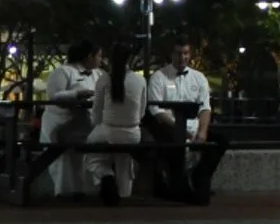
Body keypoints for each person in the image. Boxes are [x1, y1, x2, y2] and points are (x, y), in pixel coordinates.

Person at [145, 38, 228, 203]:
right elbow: (156, 111)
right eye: (178, 53)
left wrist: (202, 132)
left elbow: (205, 108)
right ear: (171, 54)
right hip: (170, 128)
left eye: (185, 53)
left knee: (221, 141)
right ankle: (179, 184)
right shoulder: (159, 77)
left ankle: (200, 175)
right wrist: (181, 130)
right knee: (172, 144)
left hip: (195, 127)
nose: (182, 57)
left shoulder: (199, 78)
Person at [34, 40, 100, 198]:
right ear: (89, 56)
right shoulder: (62, 72)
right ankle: (64, 192)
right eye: (99, 56)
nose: (101, 60)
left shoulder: (98, 74)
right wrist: (77, 94)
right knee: (64, 160)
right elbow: (54, 96)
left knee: (83, 158)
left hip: (84, 123)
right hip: (61, 122)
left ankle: (84, 191)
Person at [84, 39, 146, 203]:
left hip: (108, 131)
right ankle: (125, 193)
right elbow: (142, 112)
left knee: (91, 155)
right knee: (124, 159)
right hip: (133, 133)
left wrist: (97, 126)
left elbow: (96, 112)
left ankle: (105, 176)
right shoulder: (140, 81)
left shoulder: (104, 79)